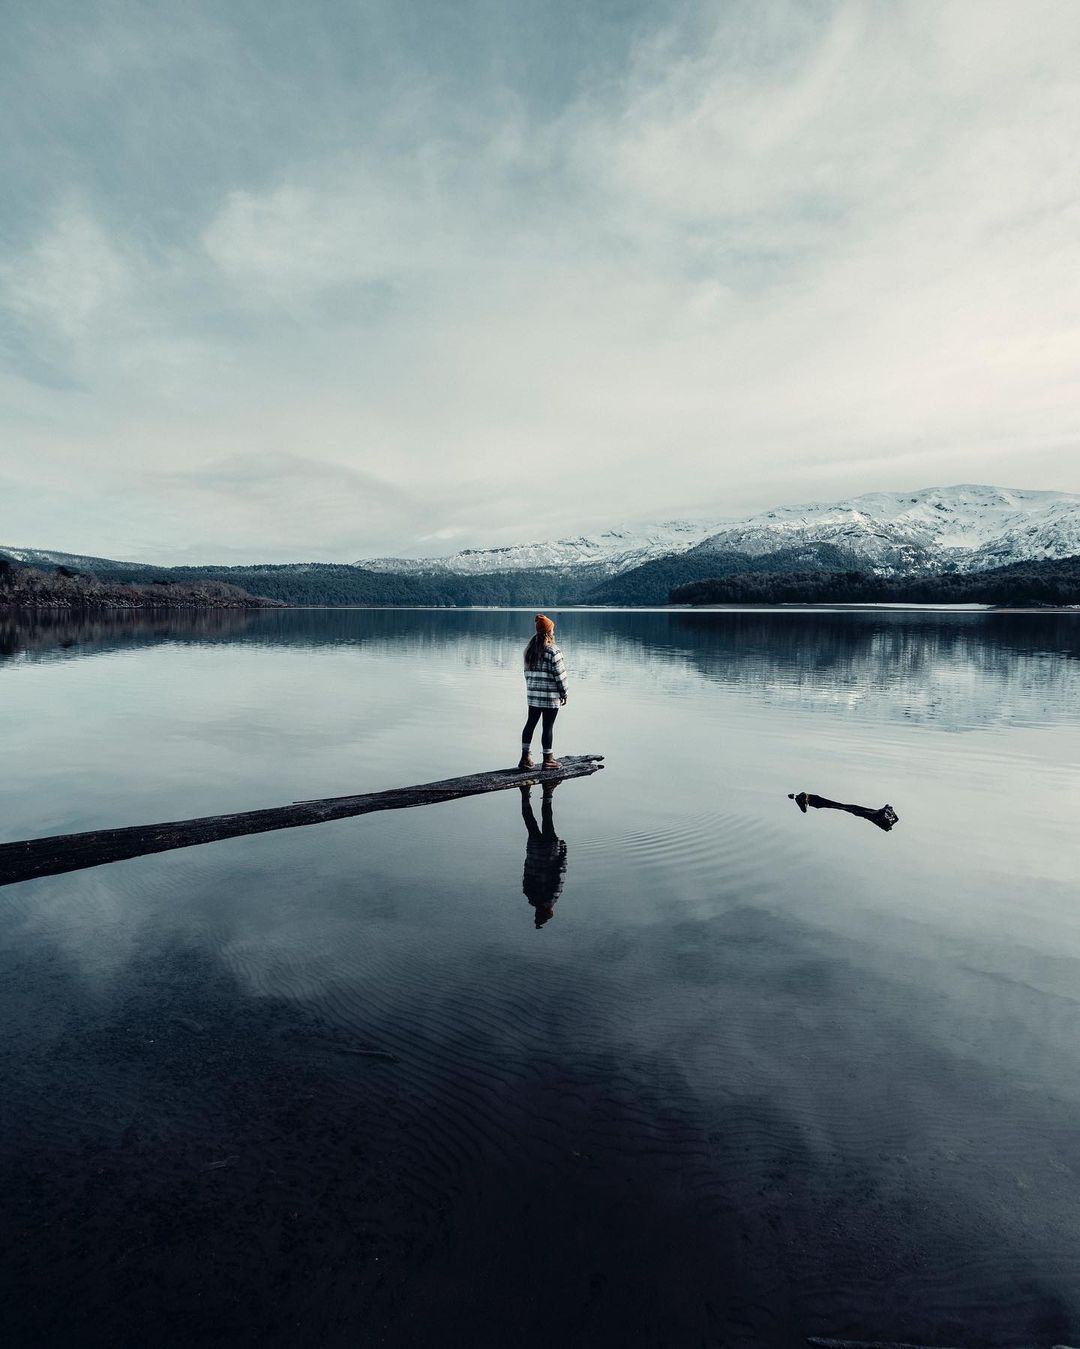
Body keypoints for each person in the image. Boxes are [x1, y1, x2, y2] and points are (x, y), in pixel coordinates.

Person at [518, 612, 568, 770]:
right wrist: (564, 693)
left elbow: (526, 674)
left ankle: (525, 758)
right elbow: (560, 676)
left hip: (533, 696)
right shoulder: (553, 651)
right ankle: (548, 760)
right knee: (548, 727)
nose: (553, 632)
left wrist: (532, 689)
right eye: (552, 629)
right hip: (549, 697)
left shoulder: (529, 651)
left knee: (530, 724)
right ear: (548, 632)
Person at [519, 782, 567, 928]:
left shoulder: (551, 896)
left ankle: (548, 792)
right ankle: (525, 794)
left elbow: (559, 874)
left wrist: (563, 854)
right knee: (530, 822)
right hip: (533, 852)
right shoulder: (530, 896)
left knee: (547, 820)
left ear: (548, 911)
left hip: (549, 851)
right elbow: (525, 874)